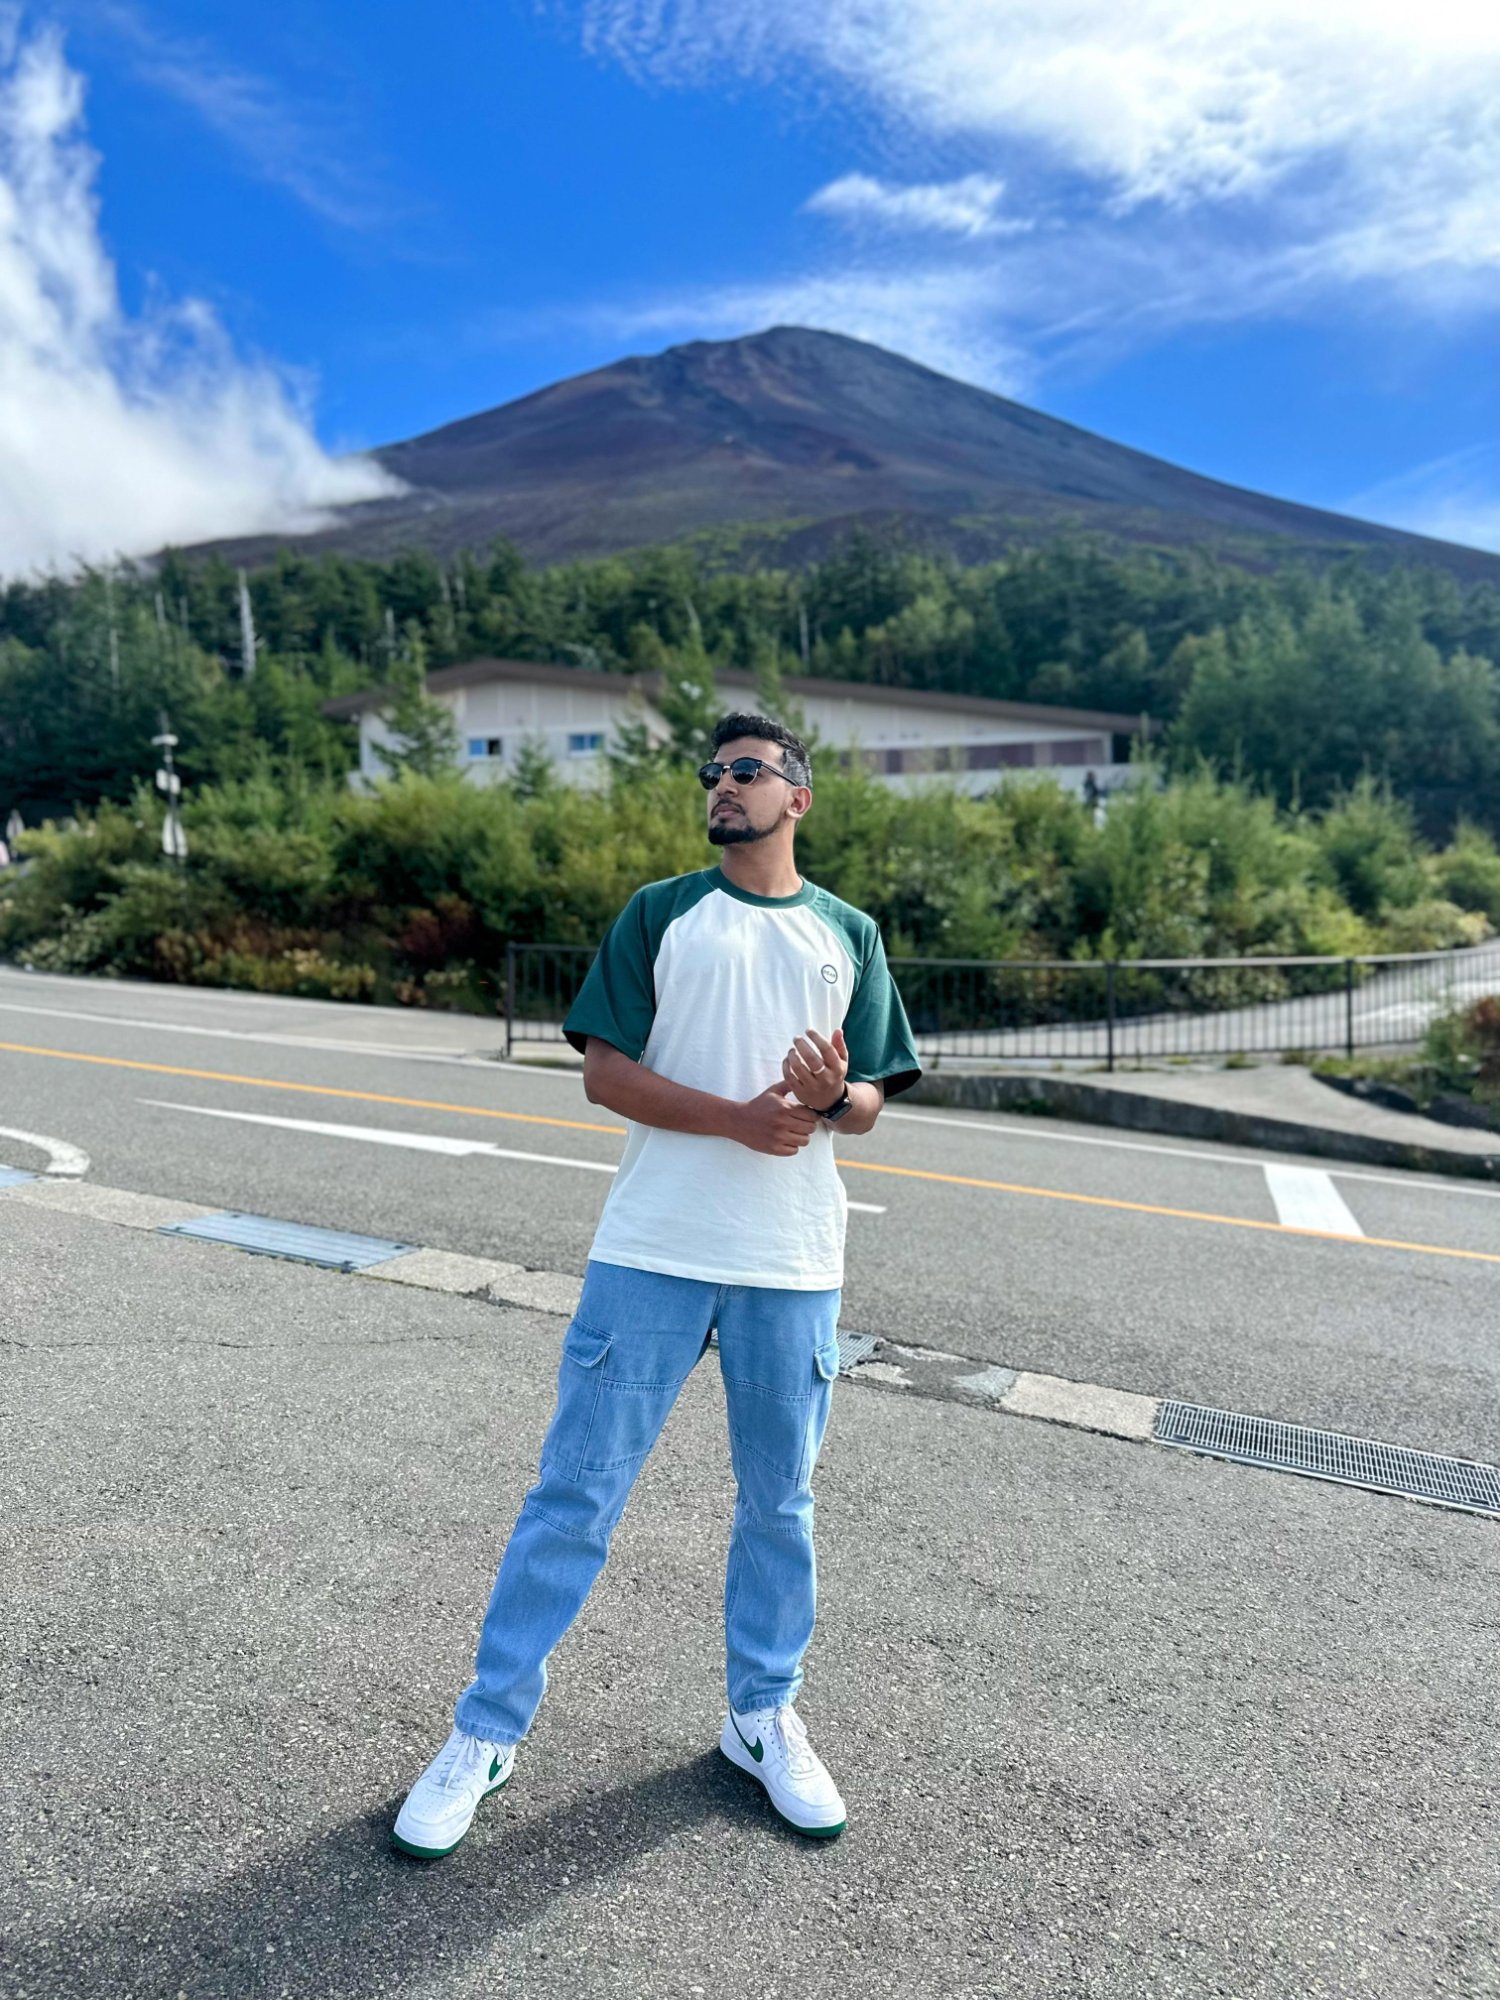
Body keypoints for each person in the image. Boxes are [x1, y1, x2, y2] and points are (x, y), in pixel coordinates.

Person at [393, 713, 921, 1857]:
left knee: (781, 1502)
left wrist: (834, 1097)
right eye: (714, 773)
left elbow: (876, 1096)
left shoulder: (847, 933)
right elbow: (603, 1072)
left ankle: (759, 1714)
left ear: (799, 797)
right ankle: (484, 1730)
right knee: (573, 1494)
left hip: (792, 1262)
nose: (723, 786)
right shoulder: (660, 911)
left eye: (747, 772)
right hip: (654, 1249)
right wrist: (737, 1117)